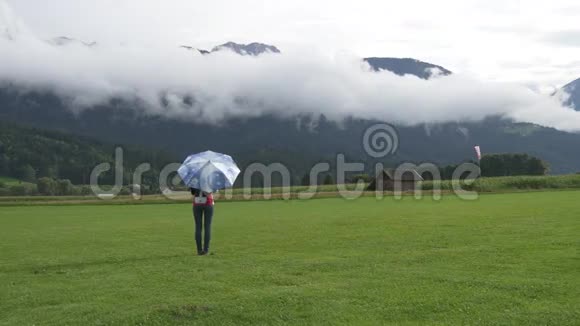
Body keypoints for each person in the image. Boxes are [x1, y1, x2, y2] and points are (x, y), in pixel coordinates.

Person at [190, 188, 214, 255]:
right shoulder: (210, 179)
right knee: (207, 227)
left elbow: (193, 192)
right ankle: (206, 250)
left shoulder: (194, 180)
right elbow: (212, 191)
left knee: (198, 227)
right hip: (208, 202)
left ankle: (199, 250)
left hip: (197, 203)